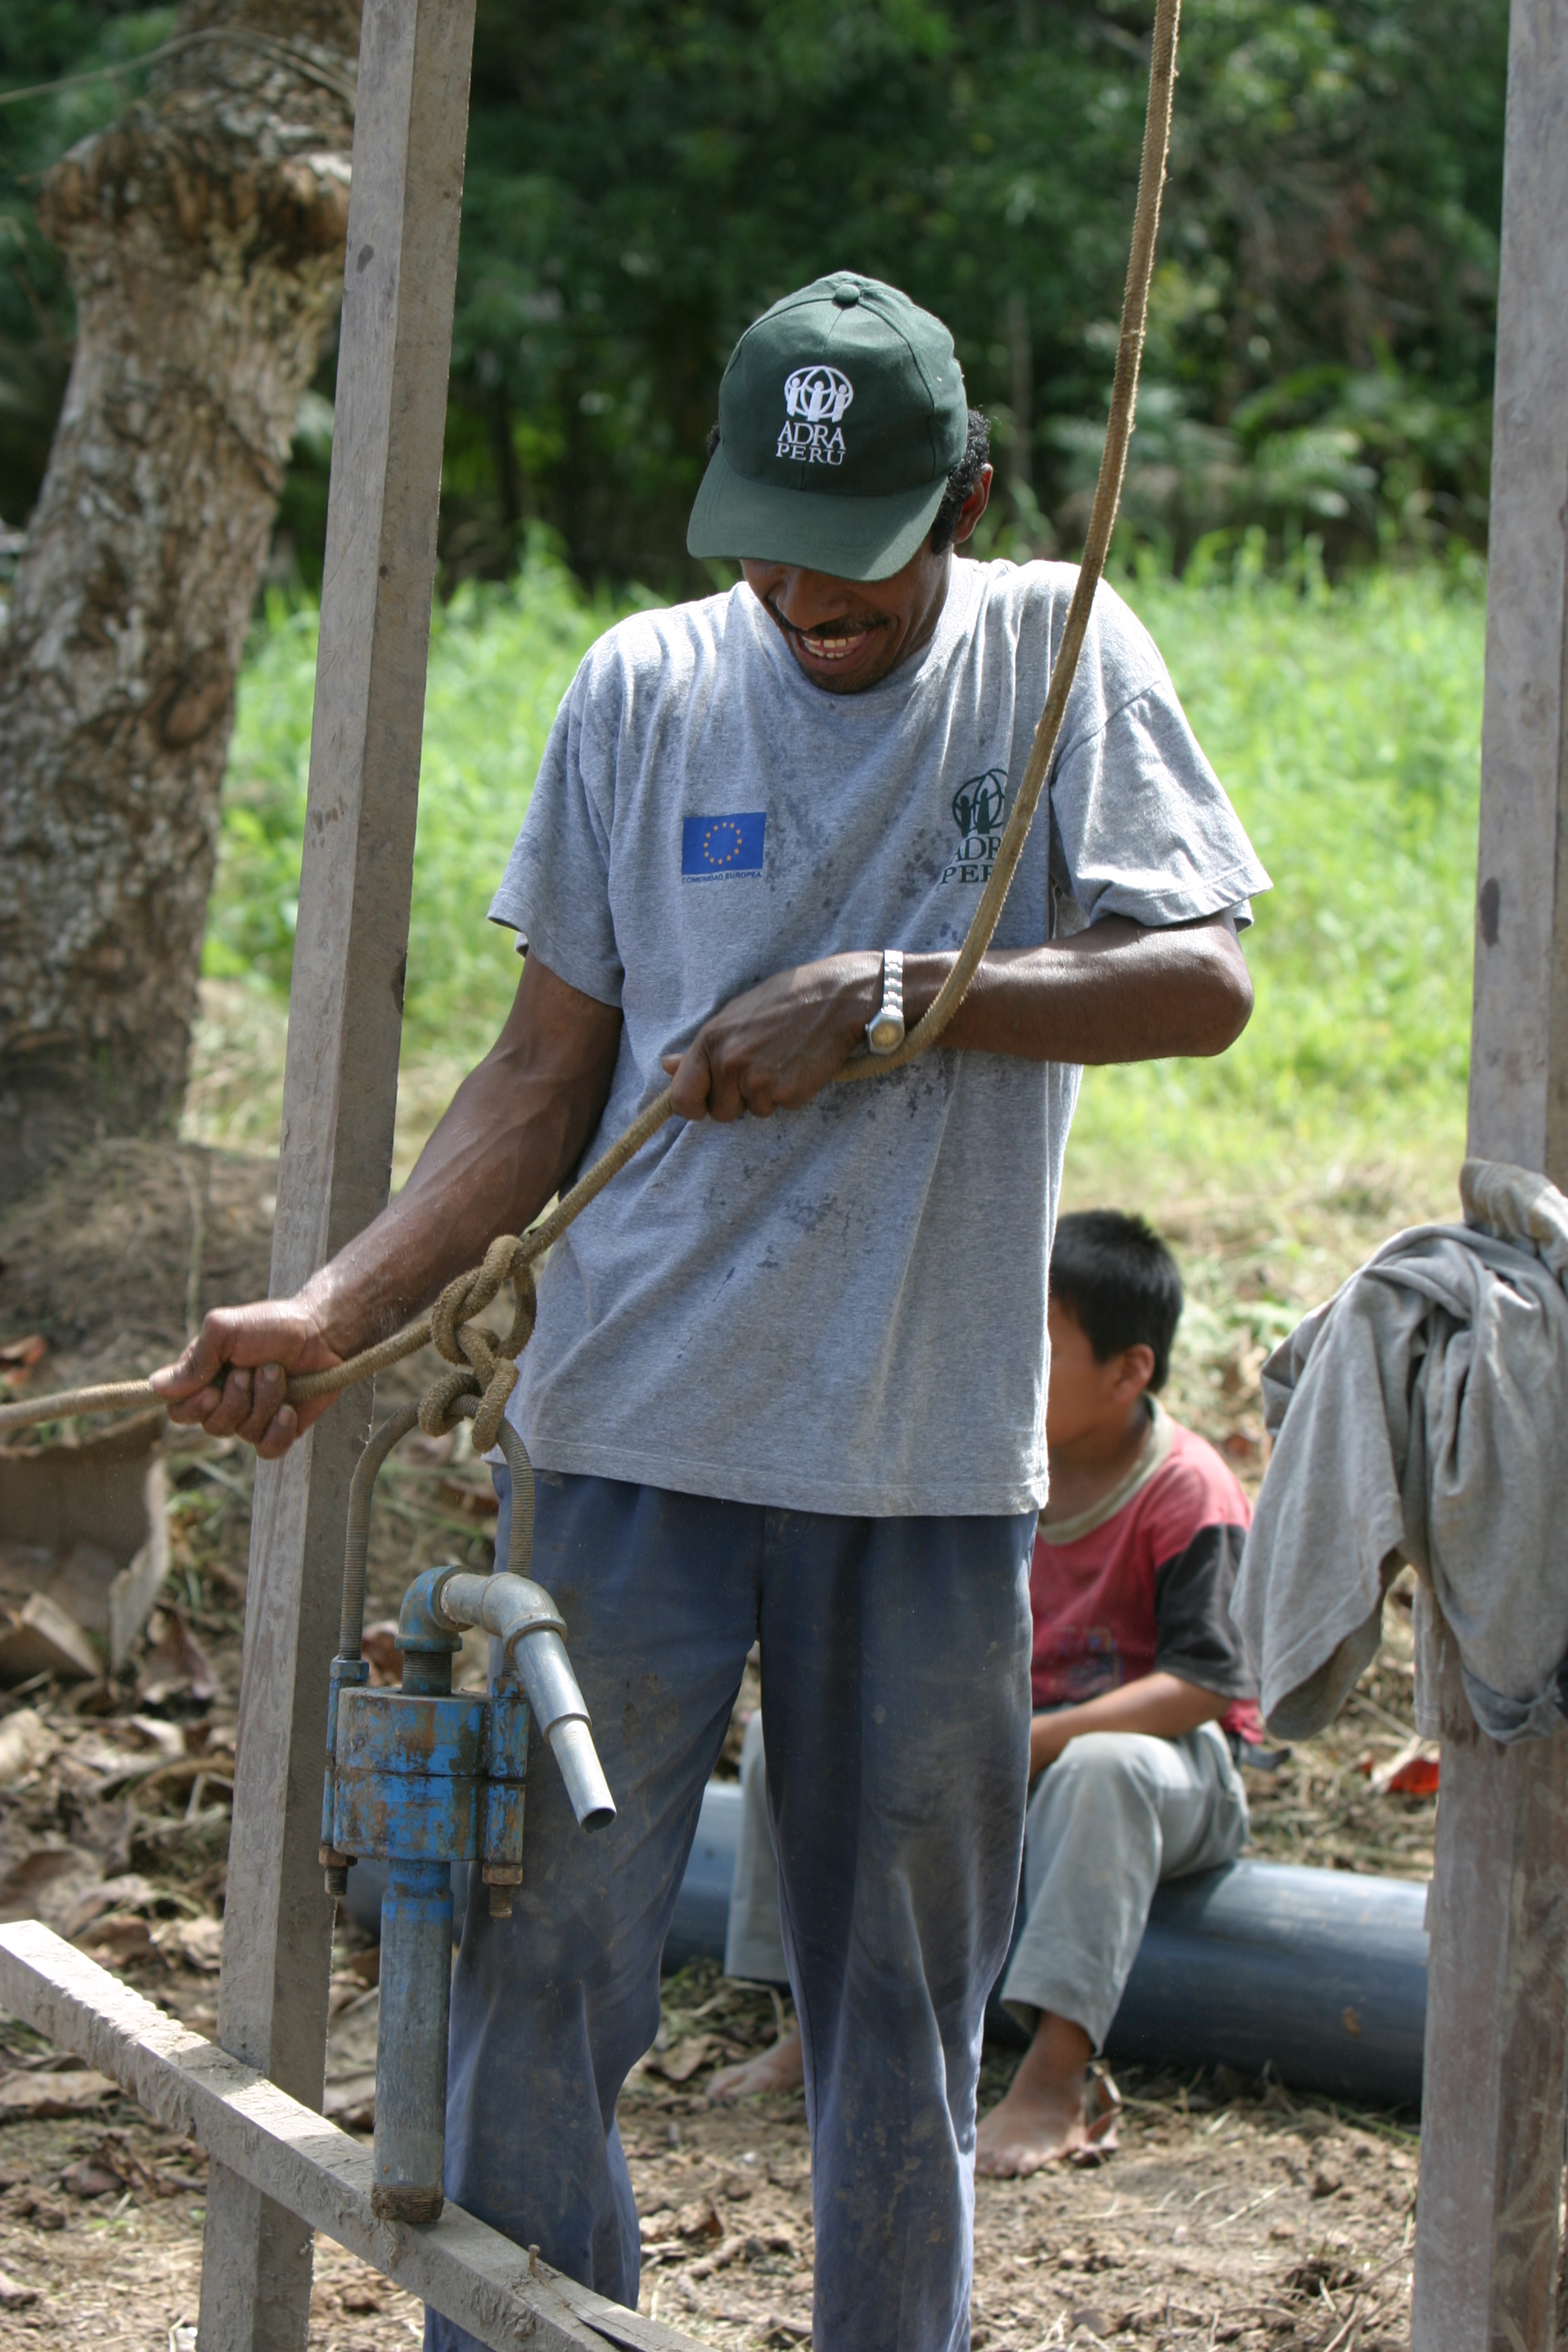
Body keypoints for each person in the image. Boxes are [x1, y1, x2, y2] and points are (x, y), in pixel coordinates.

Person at [153, 273, 1269, 2352]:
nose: (804, 595)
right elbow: (535, 1073)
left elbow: (1200, 977)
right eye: (768, 542)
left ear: (966, 502)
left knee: (899, 2005)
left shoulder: (1057, 655)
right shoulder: (644, 688)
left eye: (853, 557)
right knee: (541, 1975)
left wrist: (894, 997)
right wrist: (333, 1302)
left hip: (920, 1467)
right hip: (628, 1438)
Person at [708, 1211, 1261, 2181]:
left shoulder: (1184, 1490)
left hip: (1161, 1776)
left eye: (1035, 1341)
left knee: (1105, 1767)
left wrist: (1031, 1743)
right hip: (998, 1755)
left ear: (1128, 1372)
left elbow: (1203, 1685)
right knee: (783, 1731)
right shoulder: (985, 1467)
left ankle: (1054, 2073)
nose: (1002, 1360)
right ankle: (815, 2022)